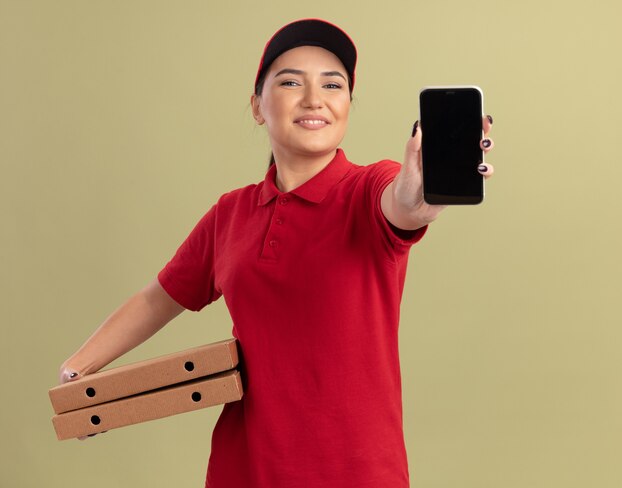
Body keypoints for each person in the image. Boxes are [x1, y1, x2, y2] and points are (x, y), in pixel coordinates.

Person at [59, 18, 495, 487]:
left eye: (333, 84)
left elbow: (404, 206)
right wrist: (79, 373)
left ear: (348, 104)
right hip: (244, 470)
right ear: (257, 106)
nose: (314, 99)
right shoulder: (230, 214)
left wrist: (421, 192)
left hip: (358, 473)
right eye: (291, 82)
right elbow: (156, 299)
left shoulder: (367, 188)